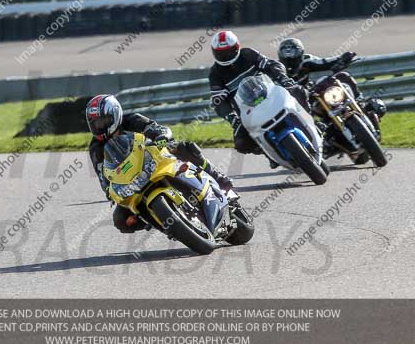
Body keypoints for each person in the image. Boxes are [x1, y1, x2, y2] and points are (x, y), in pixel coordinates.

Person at [86, 94, 235, 234]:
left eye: (103, 121)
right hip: (131, 181)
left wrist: (162, 135)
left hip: (155, 158)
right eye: (96, 124)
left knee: (184, 147)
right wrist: (109, 191)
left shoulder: (132, 120)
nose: (100, 127)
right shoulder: (95, 148)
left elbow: (156, 128)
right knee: (121, 220)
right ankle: (157, 218)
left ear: (115, 114)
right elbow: (103, 176)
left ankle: (216, 175)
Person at [208, 30, 306, 157]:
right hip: (247, 112)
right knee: (241, 143)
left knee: (298, 91)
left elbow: (271, 65)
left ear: (237, 47)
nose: (226, 56)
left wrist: (284, 80)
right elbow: (218, 101)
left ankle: (310, 121)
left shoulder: (248, 54)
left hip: (271, 96)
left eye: (228, 52)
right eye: (221, 54)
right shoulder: (215, 73)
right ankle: (268, 152)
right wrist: (232, 119)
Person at [277, 38, 386, 128]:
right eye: (287, 62)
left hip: (312, 95)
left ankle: (360, 104)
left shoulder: (307, 61)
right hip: (296, 105)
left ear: (300, 56)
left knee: (342, 76)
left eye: (294, 60)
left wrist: (342, 59)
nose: (291, 65)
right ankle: (316, 129)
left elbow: (325, 62)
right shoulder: (276, 70)